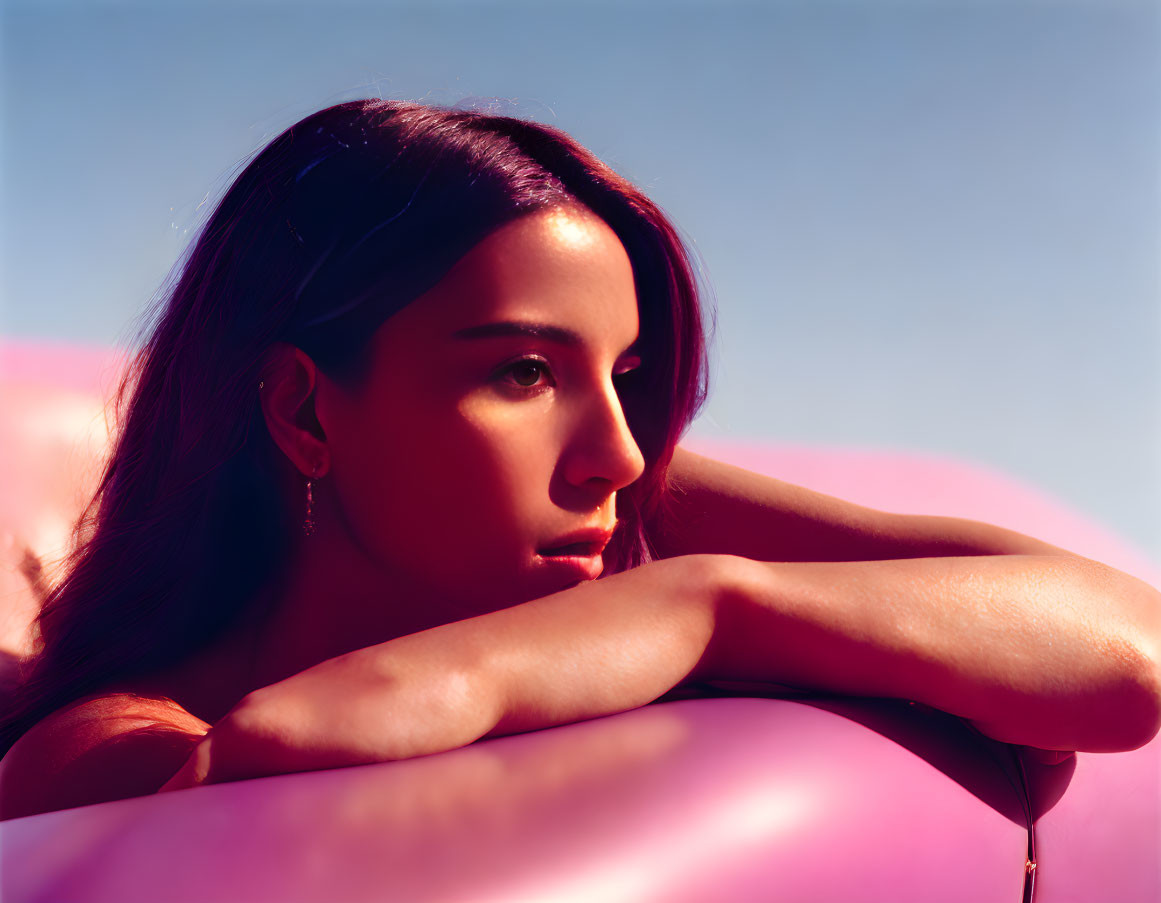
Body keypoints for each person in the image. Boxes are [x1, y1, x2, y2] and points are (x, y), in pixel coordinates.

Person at [1, 99, 1158, 820]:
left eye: (628, 375)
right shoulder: (102, 755)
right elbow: (285, 751)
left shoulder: (635, 600)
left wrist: (712, 599)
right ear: (306, 413)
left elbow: (1125, 647)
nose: (614, 452)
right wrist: (685, 603)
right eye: (524, 372)